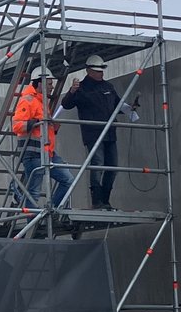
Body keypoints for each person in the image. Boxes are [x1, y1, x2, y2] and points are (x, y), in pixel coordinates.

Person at [59, 54, 139, 210]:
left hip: (109, 133)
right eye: (97, 71)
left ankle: (105, 200)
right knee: (98, 165)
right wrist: (72, 92)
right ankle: (97, 201)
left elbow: (118, 106)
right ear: (88, 71)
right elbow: (66, 104)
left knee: (112, 167)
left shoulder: (108, 87)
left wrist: (131, 108)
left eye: (102, 70)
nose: (101, 73)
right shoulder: (81, 88)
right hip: (93, 133)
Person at [11, 67, 74, 210]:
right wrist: (35, 122)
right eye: (49, 84)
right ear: (40, 83)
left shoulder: (41, 102)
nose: (51, 87)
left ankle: (52, 211)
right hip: (33, 154)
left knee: (68, 180)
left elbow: (44, 129)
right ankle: (31, 223)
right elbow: (16, 125)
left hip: (47, 152)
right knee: (33, 192)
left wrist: (54, 126)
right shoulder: (28, 100)